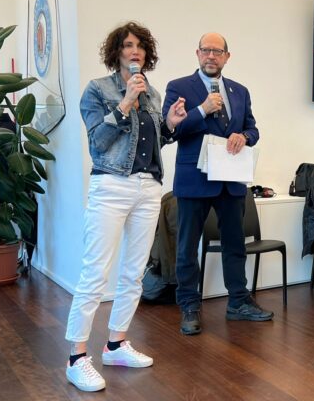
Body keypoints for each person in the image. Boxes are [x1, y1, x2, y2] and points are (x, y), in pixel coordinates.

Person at [65, 21, 187, 392]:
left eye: (141, 47)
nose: (136, 52)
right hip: (111, 184)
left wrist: (170, 124)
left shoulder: (153, 92)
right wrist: (123, 103)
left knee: (133, 272)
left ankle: (116, 343)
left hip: (148, 187)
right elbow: (98, 143)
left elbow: (152, 142)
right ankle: (76, 357)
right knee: (94, 273)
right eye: (128, 46)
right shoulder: (98, 90)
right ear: (116, 52)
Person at [163, 32, 272, 337]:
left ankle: (238, 301)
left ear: (227, 56)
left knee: (235, 244)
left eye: (217, 51)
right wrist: (202, 110)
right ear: (197, 54)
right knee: (187, 247)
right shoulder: (179, 87)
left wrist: (245, 136)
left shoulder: (240, 91)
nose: (211, 56)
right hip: (194, 179)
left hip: (230, 179)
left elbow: (252, 127)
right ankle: (188, 306)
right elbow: (171, 130)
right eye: (206, 50)